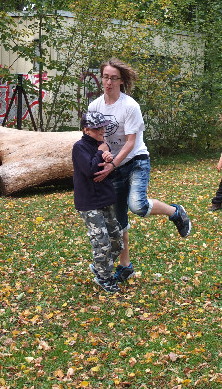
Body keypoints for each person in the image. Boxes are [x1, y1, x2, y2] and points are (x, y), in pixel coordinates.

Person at [89, 58, 191, 283]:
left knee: (138, 205)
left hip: (136, 161)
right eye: (105, 77)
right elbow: (95, 137)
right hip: (113, 166)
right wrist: (103, 155)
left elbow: (130, 142)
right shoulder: (95, 106)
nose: (108, 82)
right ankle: (125, 267)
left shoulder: (130, 106)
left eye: (113, 78)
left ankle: (175, 212)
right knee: (119, 220)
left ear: (121, 81)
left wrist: (113, 163)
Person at [72, 111, 123, 293]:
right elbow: (90, 171)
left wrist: (110, 163)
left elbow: (109, 173)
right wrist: (101, 153)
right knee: (102, 243)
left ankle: (99, 267)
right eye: (97, 128)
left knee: (116, 242)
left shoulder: (102, 145)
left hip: (106, 199)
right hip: (89, 203)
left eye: (103, 127)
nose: (102, 130)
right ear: (86, 130)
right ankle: (104, 277)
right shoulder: (79, 147)